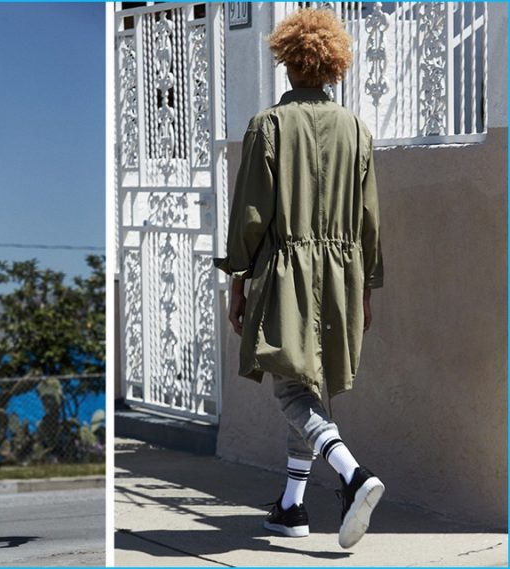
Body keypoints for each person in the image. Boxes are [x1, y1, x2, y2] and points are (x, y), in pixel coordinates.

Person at [215, 9, 384, 549]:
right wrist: (366, 289)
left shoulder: (267, 126)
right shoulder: (357, 129)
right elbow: (368, 219)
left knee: (291, 388)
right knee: (309, 387)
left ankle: (352, 473)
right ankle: (291, 507)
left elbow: (249, 216)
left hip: (285, 272)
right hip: (341, 275)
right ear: (334, 64)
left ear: (287, 61)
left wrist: (237, 283)